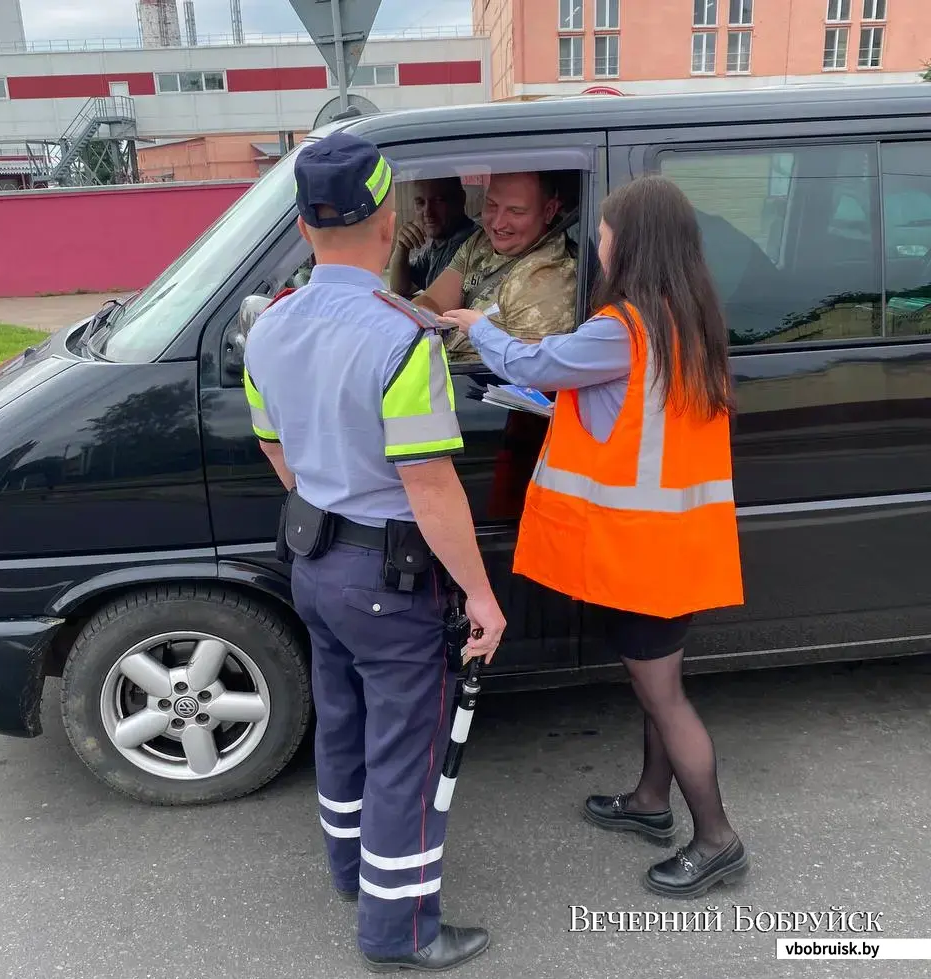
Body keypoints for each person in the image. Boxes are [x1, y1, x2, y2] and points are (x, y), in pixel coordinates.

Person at [437, 174, 749, 899]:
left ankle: (716, 836)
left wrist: (476, 322)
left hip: (641, 553)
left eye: (604, 231)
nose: (597, 241)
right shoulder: (687, 318)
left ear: (629, 243)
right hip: (676, 543)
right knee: (655, 685)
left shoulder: (623, 328)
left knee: (663, 695)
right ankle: (648, 802)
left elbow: (533, 361)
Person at [242, 130, 506, 971]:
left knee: (344, 727)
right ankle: (402, 929)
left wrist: (324, 483)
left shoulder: (271, 327)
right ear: (388, 217)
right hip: (389, 577)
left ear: (303, 221)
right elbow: (429, 485)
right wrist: (482, 595)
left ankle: (351, 871)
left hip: (315, 560)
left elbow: (275, 449)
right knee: (406, 752)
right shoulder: (403, 339)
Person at [413, 170, 578, 363]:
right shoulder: (481, 242)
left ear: (549, 211)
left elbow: (528, 371)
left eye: (515, 211)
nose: (498, 223)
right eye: (492, 205)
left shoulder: (547, 277)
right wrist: (418, 324)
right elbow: (433, 301)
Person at [390, 177, 479, 297]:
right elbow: (400, 288)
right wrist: (401, 247)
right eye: (421, 202)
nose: (428, 212)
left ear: (460, 200)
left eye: (438, 200)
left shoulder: (467, 244)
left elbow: (436, 306)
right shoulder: (440, 244)